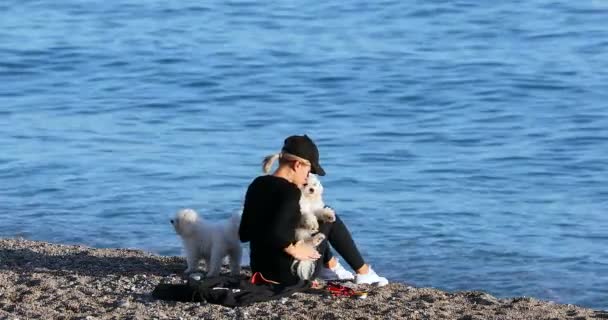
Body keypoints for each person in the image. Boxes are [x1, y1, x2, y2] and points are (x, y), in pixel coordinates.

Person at [239, 134, 388, 286]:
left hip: (260, 270)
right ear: (297, 165)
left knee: (317, 219)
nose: (307, 177)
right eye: (308, 171)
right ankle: (363, 272)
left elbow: (243, 233)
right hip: (289, 275)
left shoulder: (257, 184)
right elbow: (278, 233)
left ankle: (329, 266)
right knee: (329, 216)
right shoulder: (290, 192)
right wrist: (294, 250)